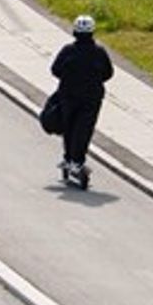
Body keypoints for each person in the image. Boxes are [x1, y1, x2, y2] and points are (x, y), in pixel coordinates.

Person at [48, 14, 114, 188]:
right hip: (91, 98)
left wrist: (69, 79)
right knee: (84, 129)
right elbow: (108, 73)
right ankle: (77, 160)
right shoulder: (99, 52)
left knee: (69, 127)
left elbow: (55, 69)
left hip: (68, 96)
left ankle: (69, 158)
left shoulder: (68, 50)